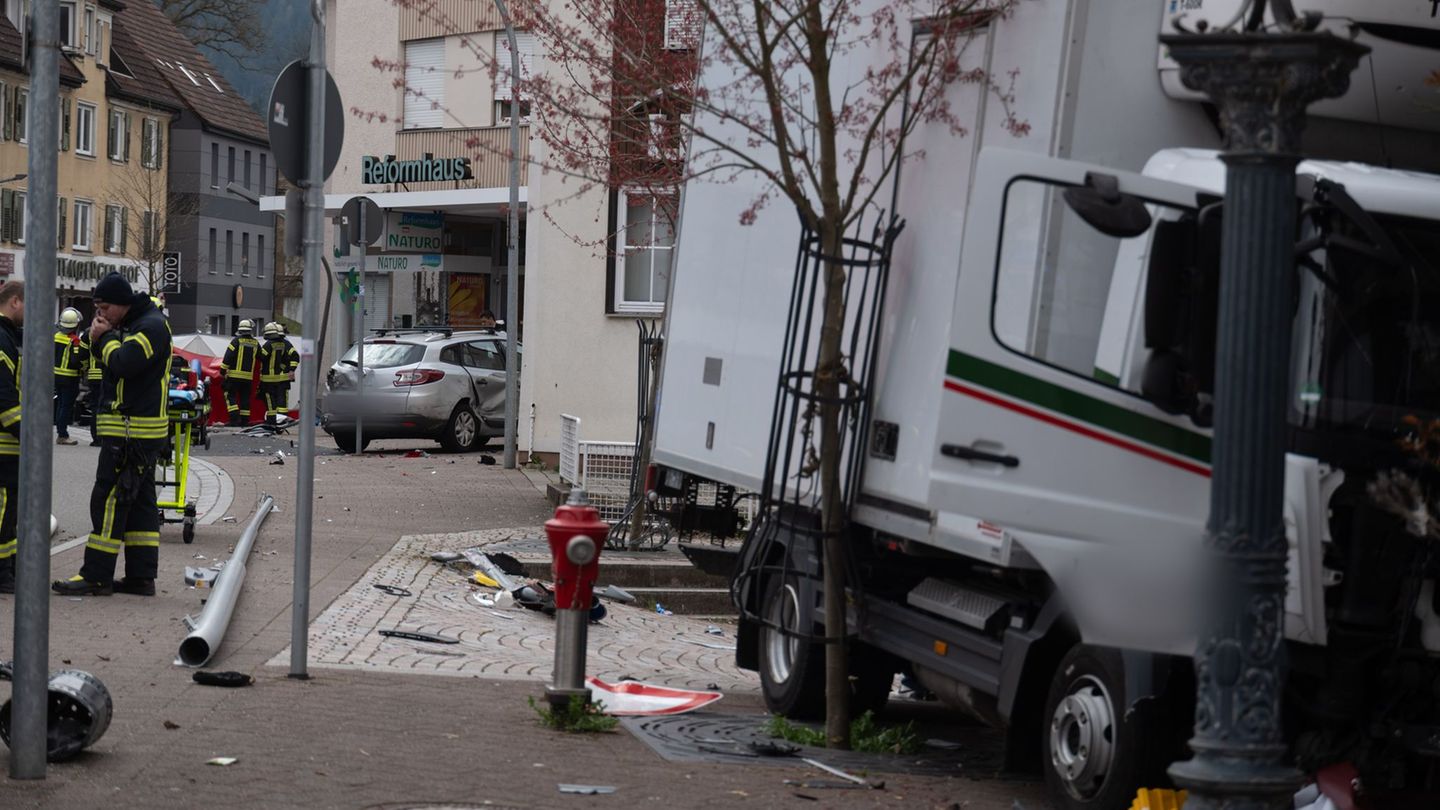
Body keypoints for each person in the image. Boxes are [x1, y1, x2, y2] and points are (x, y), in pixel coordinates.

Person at [53, 273, 171, 597]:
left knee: (107, 500)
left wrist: (103, 339)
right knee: (140, 505)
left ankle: (96, 574)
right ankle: (141, 578)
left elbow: (123, 364)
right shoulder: (132, 325)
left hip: (132, 434)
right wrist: (100, 339)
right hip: (134, 432)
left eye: (104, 308)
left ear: (121, 303)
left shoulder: (150, 326)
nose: (101, 315)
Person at [0, 282, 24, 594]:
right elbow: (3, 395)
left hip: (8, 443)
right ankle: (2, 574)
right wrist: (27, 433)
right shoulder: (3, 339)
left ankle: (9, 569)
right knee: (4, 510)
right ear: (15, 301)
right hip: (5, 443)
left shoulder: (8, 337)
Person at [53, 307, 86, 446]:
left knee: (60, 404)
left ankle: (60, 432)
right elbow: (76, 360)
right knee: (66, 406)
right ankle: (63, 435)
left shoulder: (55, 336)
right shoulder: (75, 341)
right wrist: (85, 367)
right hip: (70, 378)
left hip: (56, 376)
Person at [220, 319, 259, 426]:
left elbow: (228, 356)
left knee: (230, 395)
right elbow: (262, 357)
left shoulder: (236, 341)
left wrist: (222, 371)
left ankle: (234, 420)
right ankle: (244, 421)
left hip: (234, 376)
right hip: (248, 378)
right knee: (245, 399)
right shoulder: (256, 342)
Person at [257, 322, 299, 418]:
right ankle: (281, 420)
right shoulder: (285, 344)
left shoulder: (271, 344)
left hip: (270, 379)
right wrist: (290, 369)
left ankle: (273, 421)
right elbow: (294, 357)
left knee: (272, 401)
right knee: (282, 402)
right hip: (283, 379)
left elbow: (261, 357)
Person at [79, 326, 105, 446]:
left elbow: (82, 355)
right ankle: (106, 437)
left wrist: (85, 368)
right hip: (109, 377)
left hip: (94, 376)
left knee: (95, 407)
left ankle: (96, 438)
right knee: (107, 407)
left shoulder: (88, 332)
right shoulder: (115, 330)